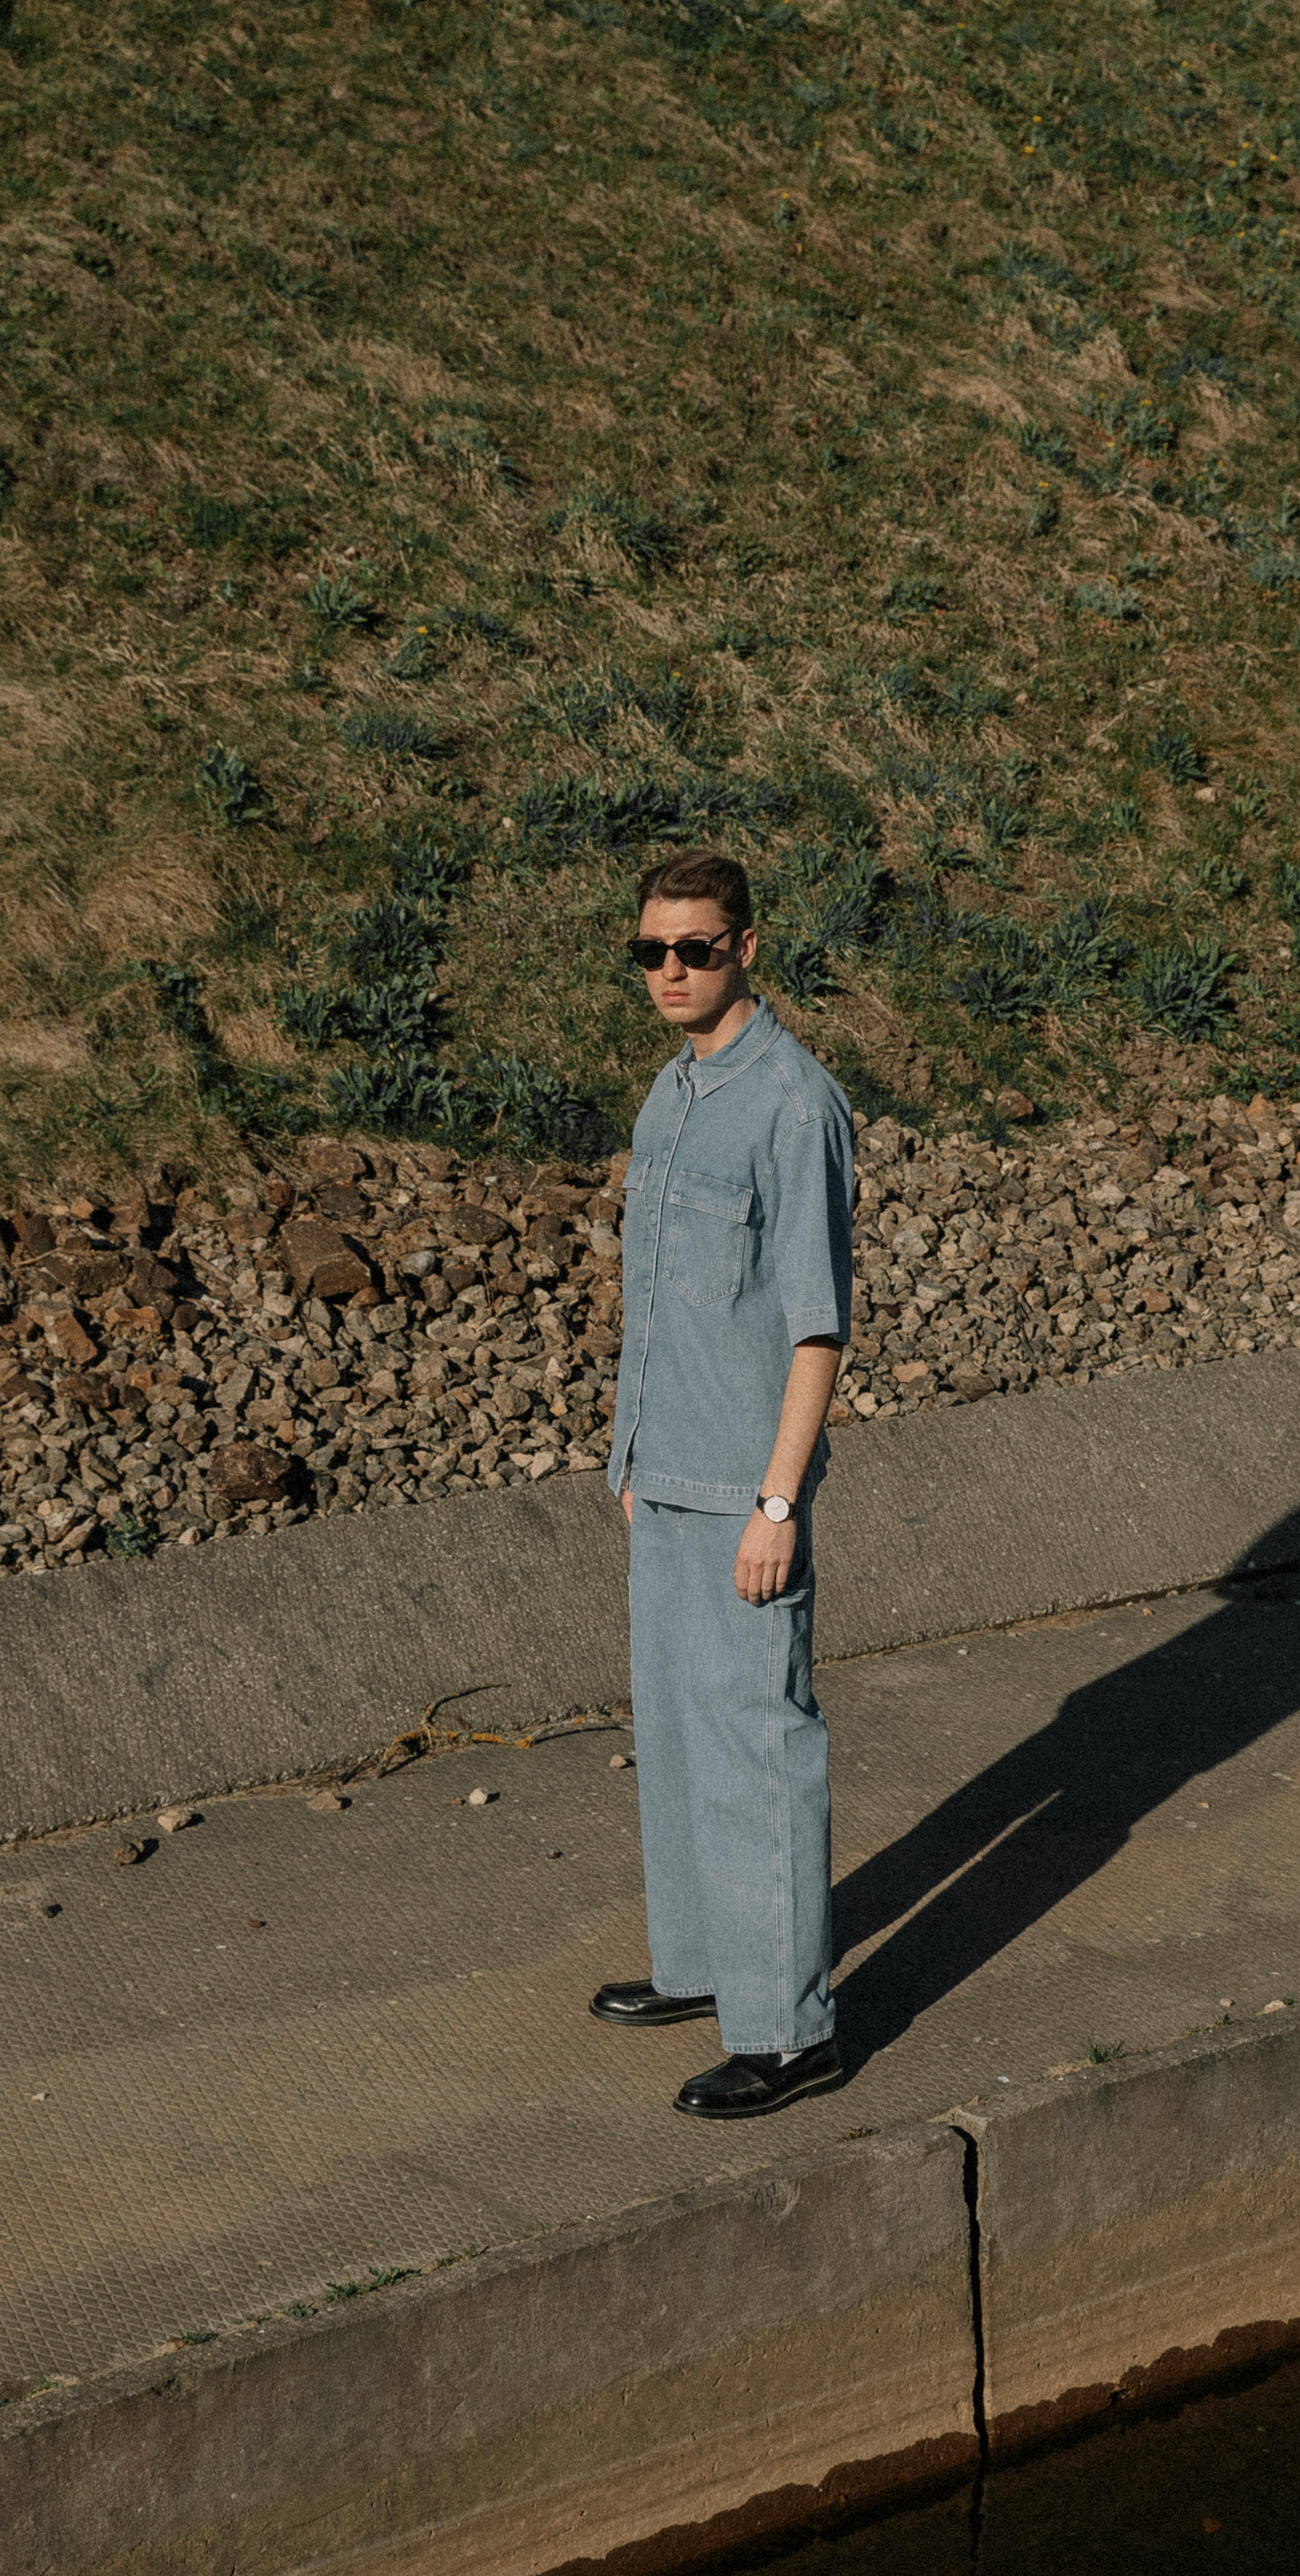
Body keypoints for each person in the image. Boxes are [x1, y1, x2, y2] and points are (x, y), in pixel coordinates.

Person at [591, 847, 854, 2119]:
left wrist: (777, 1503)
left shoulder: (795, 1107)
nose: (672, 972)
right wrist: (631, 1453)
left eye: (695, 949)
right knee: (678, 1732)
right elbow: (656, 1299)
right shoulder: (672, 1090)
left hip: (749, 1490)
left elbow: (817, 1328)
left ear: (746, 947)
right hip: (665, 1473)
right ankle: (705, 1966)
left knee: (758, 1745)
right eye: (652, 951)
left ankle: (792, 2033)